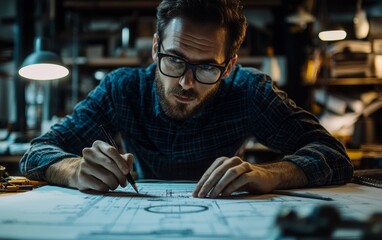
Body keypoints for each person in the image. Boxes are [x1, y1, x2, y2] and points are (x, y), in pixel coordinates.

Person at [20, 0, 353, 198]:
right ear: (155, 48)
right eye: (174, 59)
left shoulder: (249, 91)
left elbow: (334, 156)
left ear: (229, 66)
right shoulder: (120, 89)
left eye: (207, 66)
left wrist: (272, 174)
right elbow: (36, 153)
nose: (185, 81)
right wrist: (73, 169)